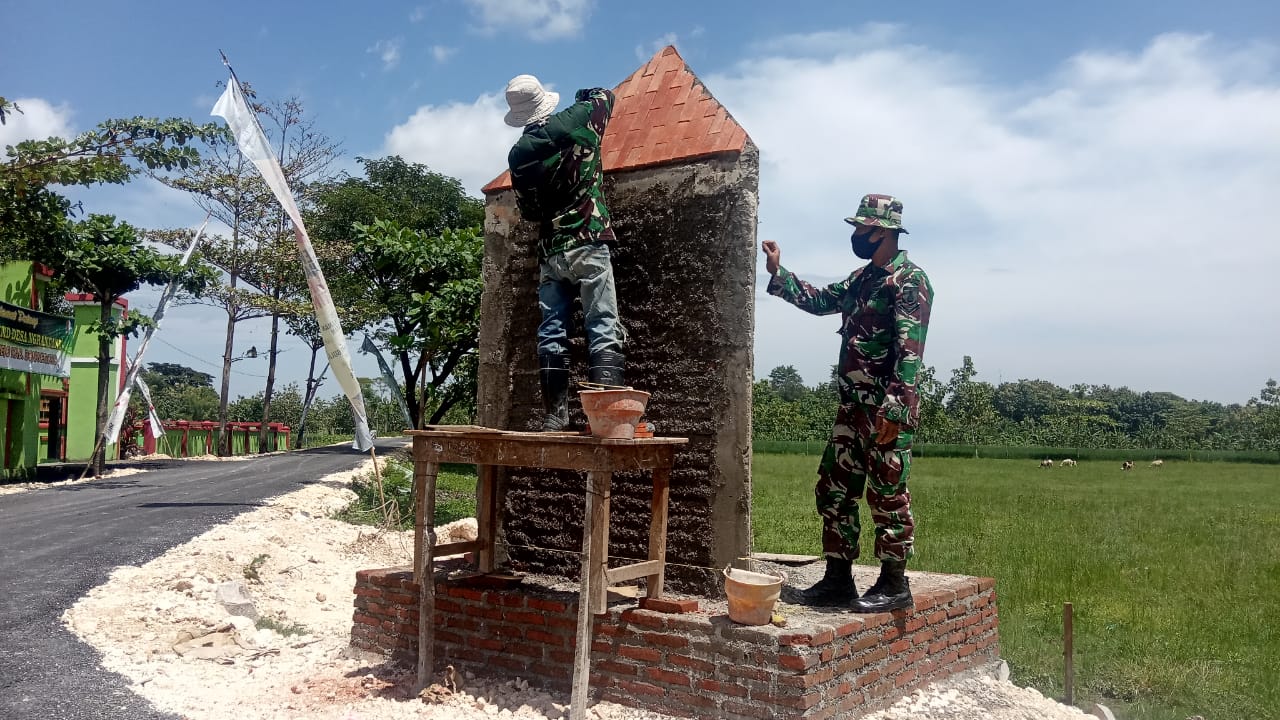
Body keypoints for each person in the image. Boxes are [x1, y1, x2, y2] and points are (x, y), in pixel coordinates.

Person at [761, 194, 933, 613]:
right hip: (851, 409)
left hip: (884, 412)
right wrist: (778, 272)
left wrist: (895, 409)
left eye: (862, 229)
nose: (855, 235)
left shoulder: (909, 281)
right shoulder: (862, 279)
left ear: (884, 232)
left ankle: (894, 584)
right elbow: (821, 300)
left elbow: (910, 351)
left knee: (888, 495)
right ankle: (838, 580)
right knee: (834, 488)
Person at [503, 74, 627, 431]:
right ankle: (605, 420)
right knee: (602, 324)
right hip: (589, 238)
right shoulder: (577, 121)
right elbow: (605, 96)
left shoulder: (520, 154)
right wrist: (580, 95)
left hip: (552, 252)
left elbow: (528, 212)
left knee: (551, 331)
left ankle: (555, 416)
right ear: (545, 102)